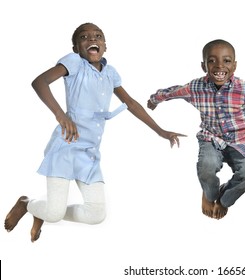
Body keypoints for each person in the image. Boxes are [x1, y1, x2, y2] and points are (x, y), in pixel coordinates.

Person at [4, 23, 185, 242]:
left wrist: (161, 131)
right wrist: (61, 115)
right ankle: (28, 204)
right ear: (76, 47)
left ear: (105, 46)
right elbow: (39, 82)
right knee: (54, 213)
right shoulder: (74, 63)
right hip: (66, 146)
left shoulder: (111, 73)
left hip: (89, 152)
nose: (92, 39)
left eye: (98, 36)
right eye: (85, 37)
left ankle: (41, 211)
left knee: (96, 214)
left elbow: (131, 103)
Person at [148, 39, 245, 219]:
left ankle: (224, 199)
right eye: (212, 61)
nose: (219, 66)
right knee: (207, 167)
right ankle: (209, 195)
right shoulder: (196, 87)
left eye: (226, 61)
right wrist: (155, 99)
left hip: (239, 140)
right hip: (211, 138)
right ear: (204, 66)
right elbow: (173, 92)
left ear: (234, 65)